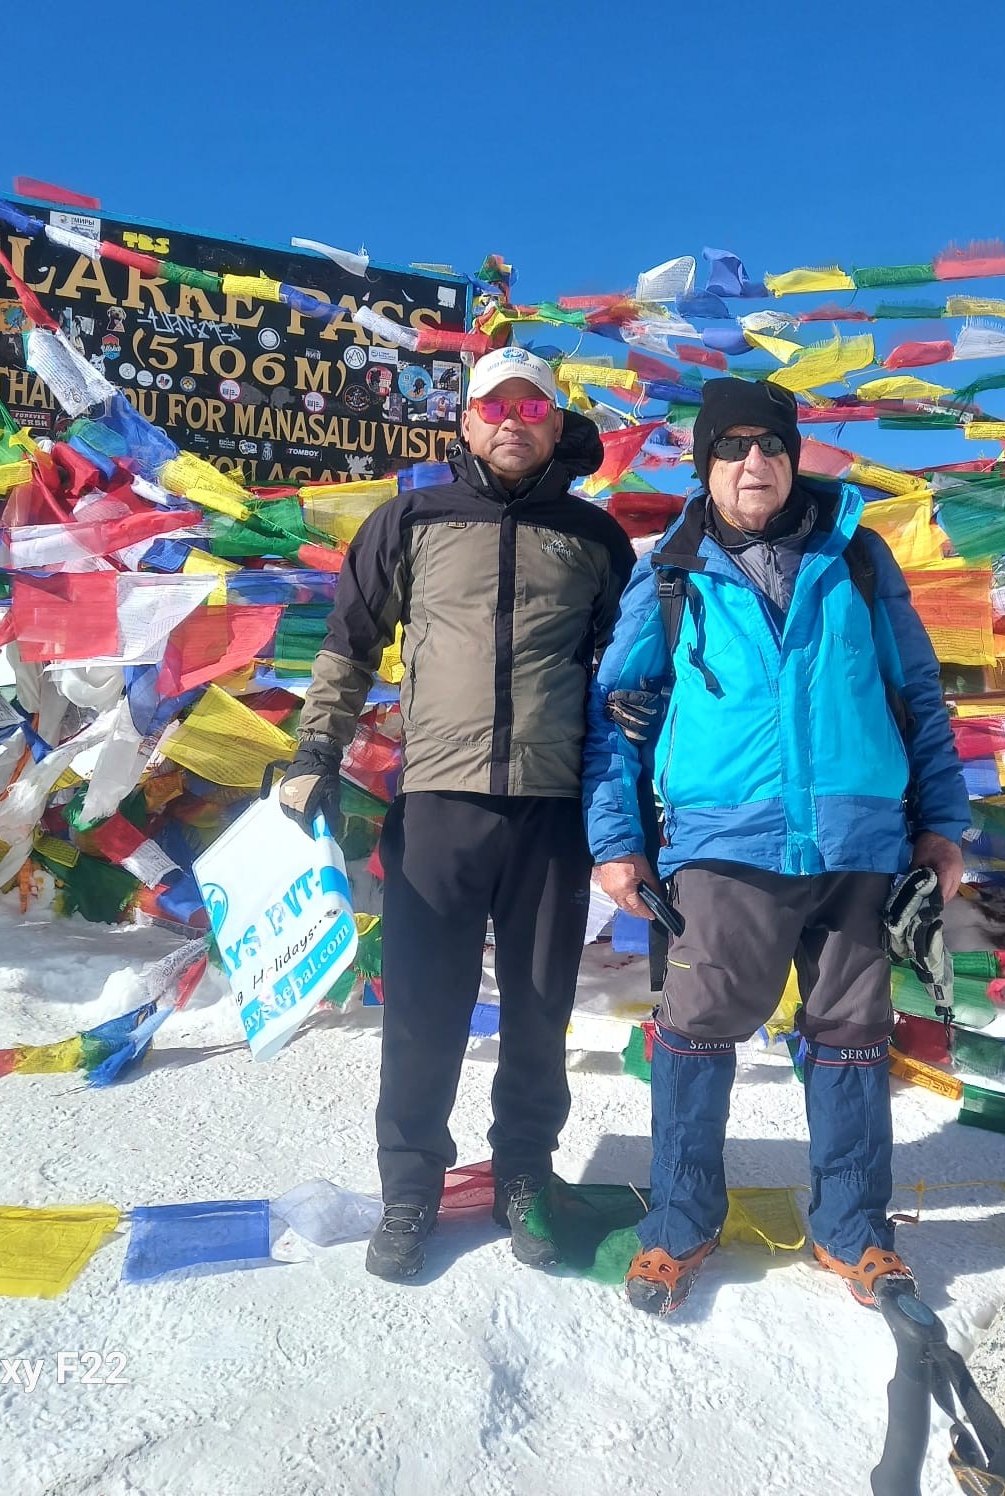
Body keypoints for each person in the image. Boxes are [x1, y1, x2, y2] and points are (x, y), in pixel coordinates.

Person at [583, 377, 968, 1315]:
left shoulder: (861, 558)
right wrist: (617, 841)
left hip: (856, 842)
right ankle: (678, 1220)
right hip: (724, 841)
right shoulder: (670, 571)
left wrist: (943, 825)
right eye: (731, 447)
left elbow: (918, 696)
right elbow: (614, 721)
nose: (753, 462)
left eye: (770, 445)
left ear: (795, 457)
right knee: (698, 1030)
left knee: (849, 1037)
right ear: (705, 463)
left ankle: (854, 1228)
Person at [281, 346, 636, 1281]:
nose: (512, 418)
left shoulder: (598, 542)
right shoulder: (412, 520)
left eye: (532, 404)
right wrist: (317, 748)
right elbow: (349, 647)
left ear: (556, 424)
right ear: (466, 421)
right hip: (437, 804)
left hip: (551, 814)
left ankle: (526, 1175)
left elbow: (629, 683)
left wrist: (637, 801)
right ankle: (411, 1188)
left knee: (537, 1009)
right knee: (424, 1011)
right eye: (494, 404)